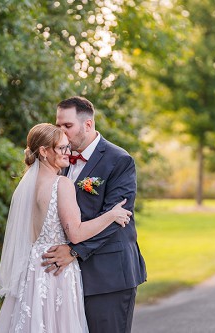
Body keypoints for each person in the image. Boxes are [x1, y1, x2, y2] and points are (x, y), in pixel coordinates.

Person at [0, 123, 132, 333]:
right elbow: (75, 233)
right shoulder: (61, 184)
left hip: (33, 269)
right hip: (56, 270)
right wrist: (111, 215)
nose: (69, 152)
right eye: (62, 148)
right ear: (44, 151)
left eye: (68, 147)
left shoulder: (25, 187)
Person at [42, 96, 147, 333]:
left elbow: (116, 218)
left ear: (88, 125)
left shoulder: (119, 160)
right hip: (67, 277)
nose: (60, 132)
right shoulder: (60, 160)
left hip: (109, 275)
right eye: (58, 125)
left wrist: (74, 251)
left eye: (67, 126)